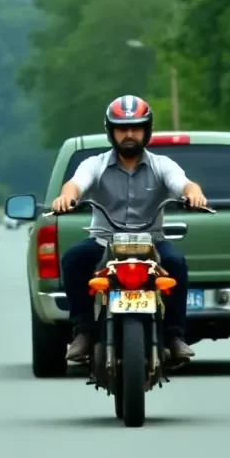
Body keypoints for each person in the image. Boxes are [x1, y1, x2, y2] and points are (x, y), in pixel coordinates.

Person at [53, 94, 208, 363]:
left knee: (176, 262)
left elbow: (185, 184)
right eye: (122, 129)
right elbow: (75, 183)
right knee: (73, 259)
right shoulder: (95, 164)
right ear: (111, 132)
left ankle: (174, 336)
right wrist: (66, 197)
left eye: (136, 128)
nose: (129, 135)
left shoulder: (162, 165)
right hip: (104, 242)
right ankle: (83, 332)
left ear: (146, 131)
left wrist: (194, 195)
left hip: (152, 243)